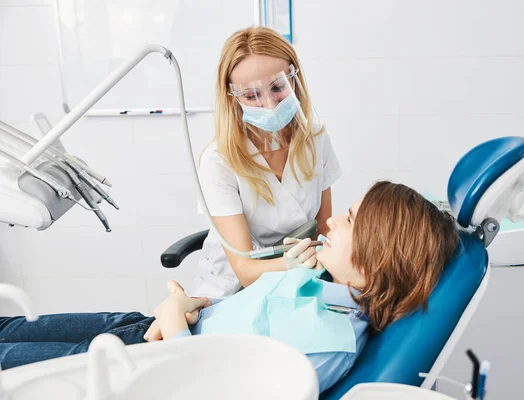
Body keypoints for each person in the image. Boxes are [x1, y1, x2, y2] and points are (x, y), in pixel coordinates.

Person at [0, 181, 459, 393]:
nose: (334, 220)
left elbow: (207, 391)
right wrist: (190, 306)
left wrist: (174, 325)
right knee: (10, 327)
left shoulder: (325, 346)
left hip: (142, 369)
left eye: (351, 220)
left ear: (377, 259)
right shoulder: (328, 287)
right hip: (149, 328)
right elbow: (244, 322)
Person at [192, 25, 342, 298]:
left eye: (278, 87)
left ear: (294, 78)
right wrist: (290, 264)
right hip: (231, 289)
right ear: (233, 98)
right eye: (251, 95)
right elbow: (244, 271)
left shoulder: (316, 139)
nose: (269, 105)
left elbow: (323, 231)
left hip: (304, 277)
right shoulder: (218, 162)